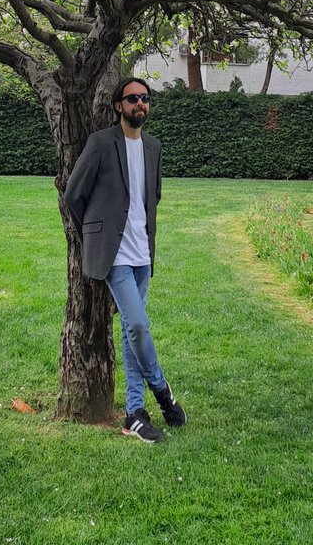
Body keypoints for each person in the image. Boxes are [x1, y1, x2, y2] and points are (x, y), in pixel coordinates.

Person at [63, 76, 187, 444]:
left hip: (142, 255)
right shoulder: (101, 143)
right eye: (133, 98)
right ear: (119, 105)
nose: (140, 104)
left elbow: (154, 196)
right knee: (137, 326)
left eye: (145, 98)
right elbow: (73, 194)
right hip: (114, 256)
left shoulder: (153, 147)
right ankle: (162, 391)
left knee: (133, 332)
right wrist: (95, 234)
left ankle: (134, 413)